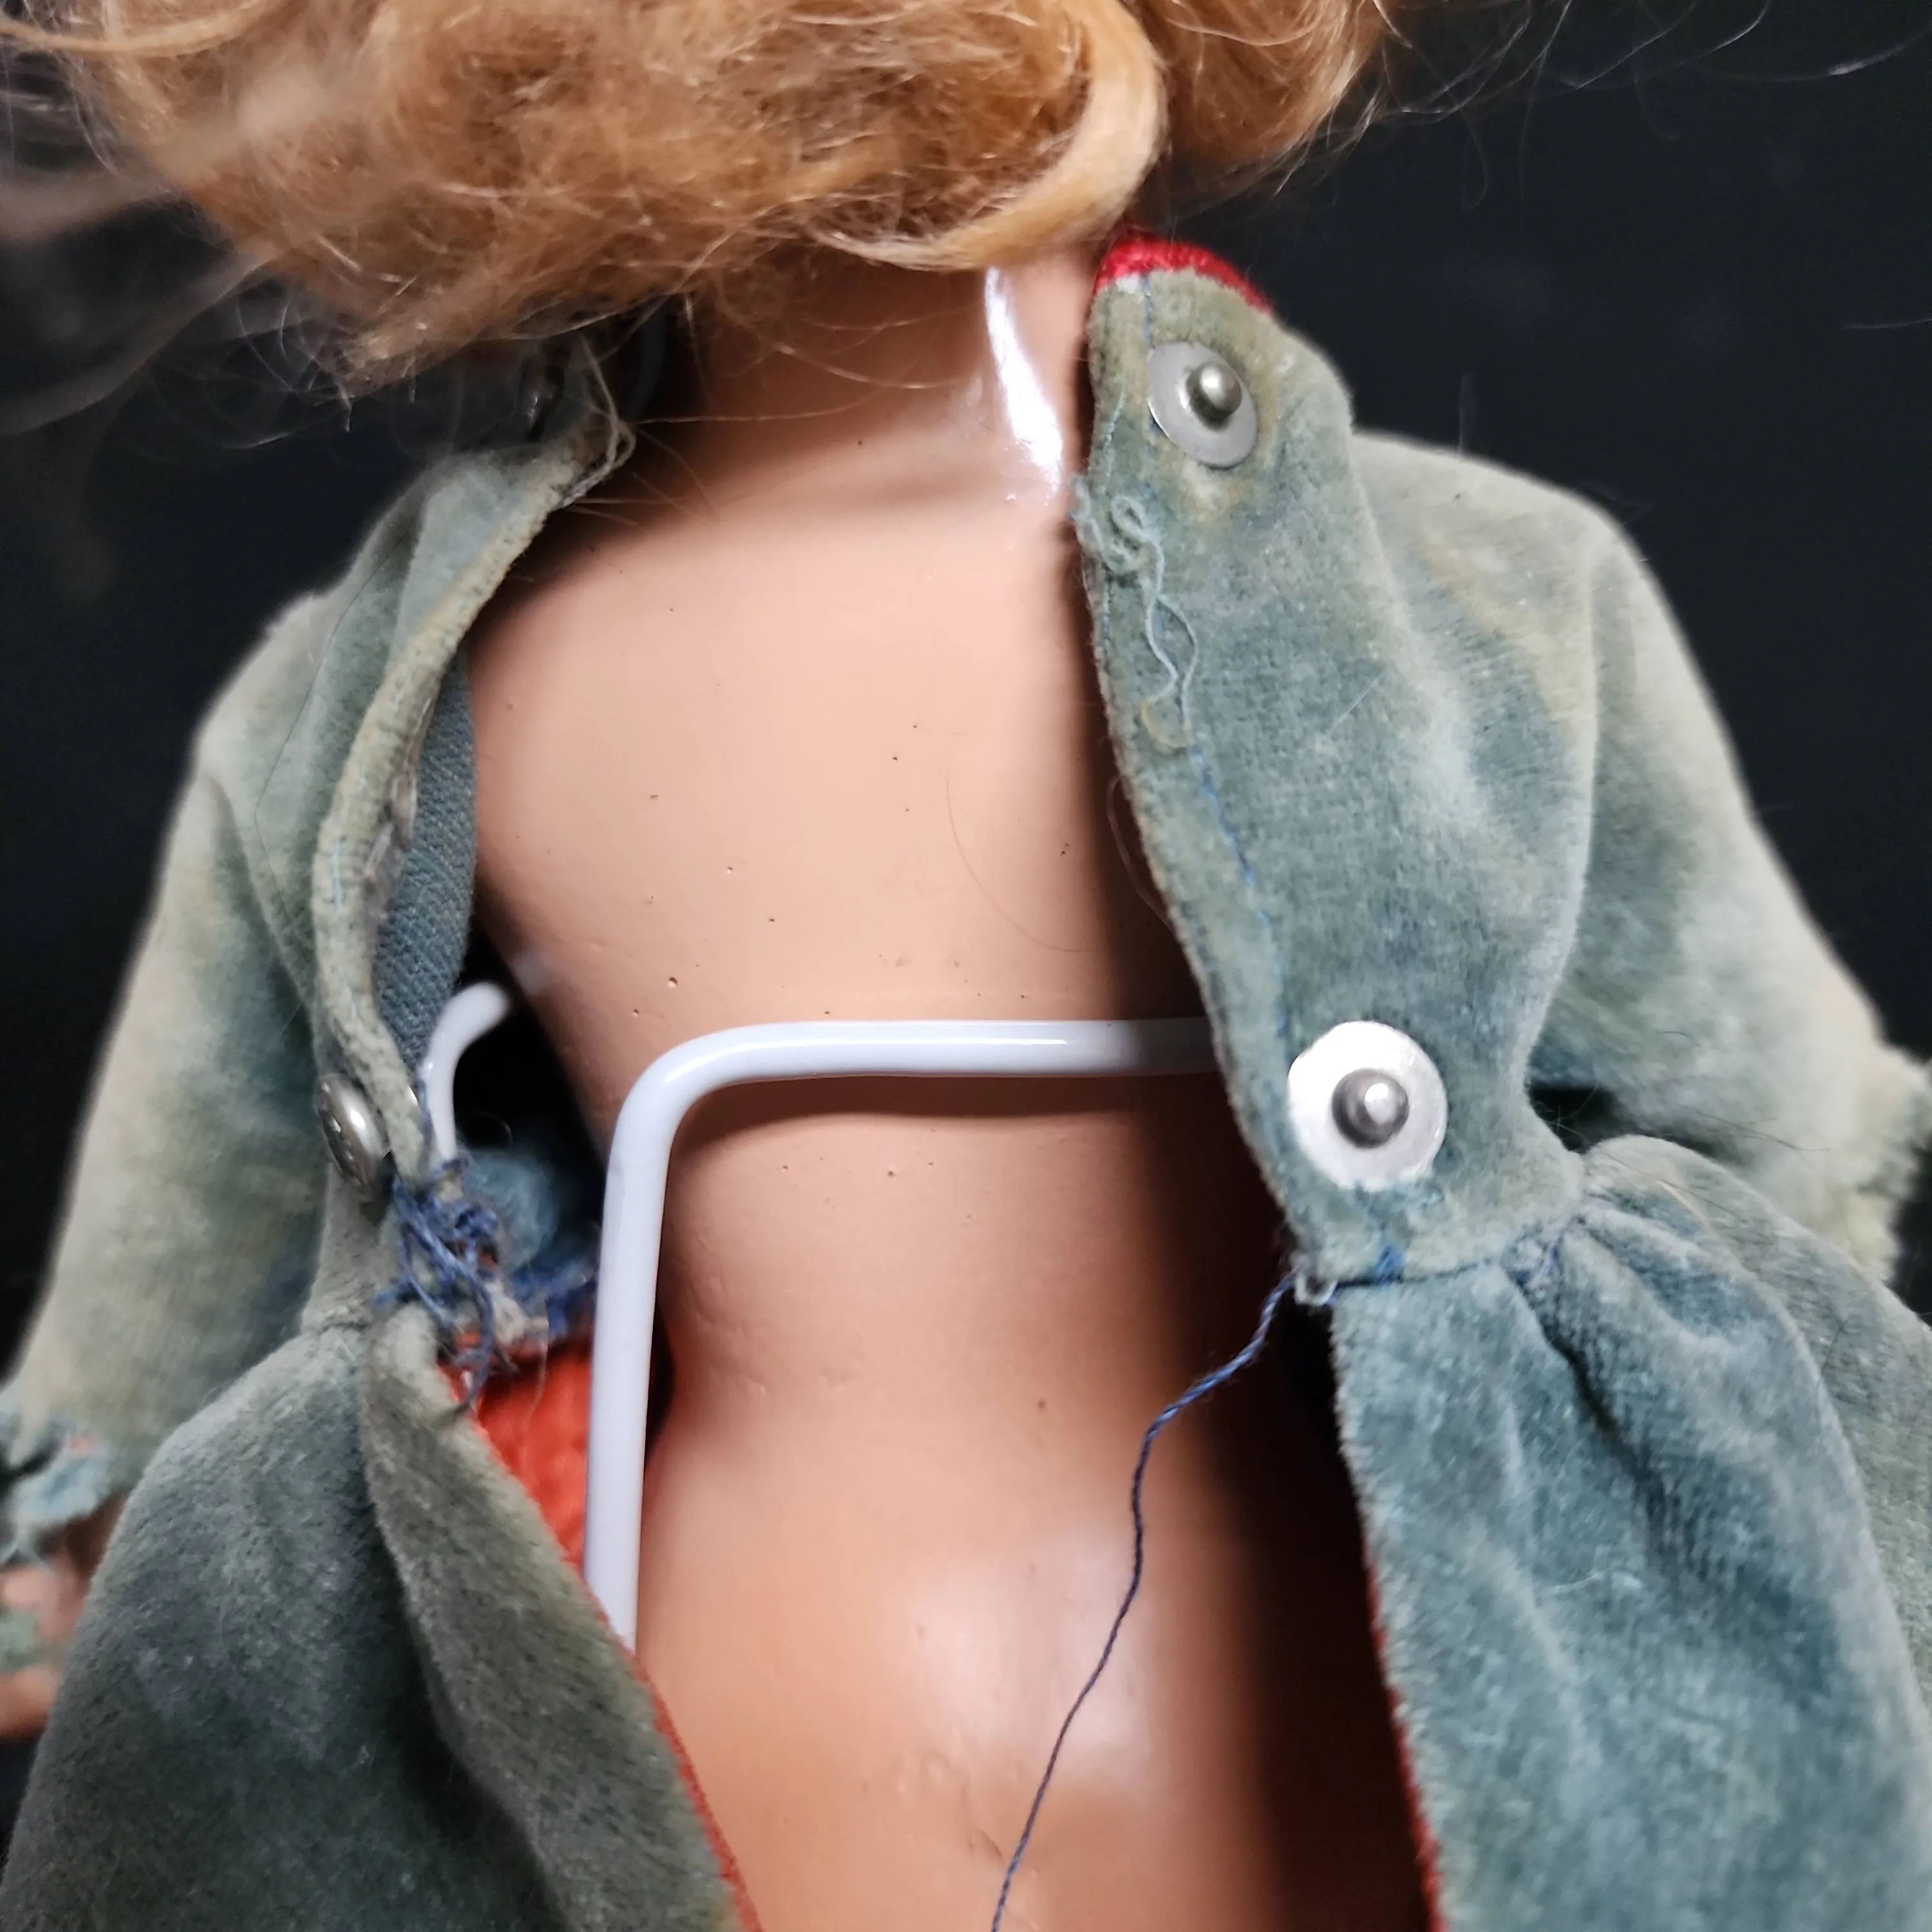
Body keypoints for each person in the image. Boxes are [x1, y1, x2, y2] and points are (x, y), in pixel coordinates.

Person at [3, 3, 1931, 1927]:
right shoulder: (1490, 597)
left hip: (758, 1696)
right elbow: (1782, 1190)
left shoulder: (385, 699)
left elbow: (139, 1401)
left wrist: (79, 1584)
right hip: (1337, 1688)